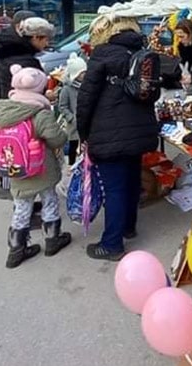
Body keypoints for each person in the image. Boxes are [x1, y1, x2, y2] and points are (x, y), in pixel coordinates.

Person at [77, 15, 159, 261]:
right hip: (138, 132)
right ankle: (128, 227)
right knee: (132, 180)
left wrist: (83, 134)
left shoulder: (103, 54)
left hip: (108, 132)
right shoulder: (142, 54)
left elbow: (86, 98)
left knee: (114, 189)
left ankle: (112, 244)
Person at [0, 65, 72, 268]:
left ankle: (16, 250)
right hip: (41, 168)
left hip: (16, 167)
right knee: (49, 201)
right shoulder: (39, 113)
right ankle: (52, 239)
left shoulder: (6, 112)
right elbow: (57, 139)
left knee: (21, 207)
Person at [0, 15, 56, 200]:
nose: (47, 43)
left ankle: (10, 190)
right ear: (35, 37)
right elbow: (33, 90)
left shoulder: (8, 54)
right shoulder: (27, 61)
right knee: (25, 153)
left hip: (7, 107)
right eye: (45, 39)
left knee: (9, 149)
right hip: (25, 112)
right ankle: (24, 200)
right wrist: (46, 96)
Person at [57, 52, 87, 167]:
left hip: (85, 122)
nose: (84, 74)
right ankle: (72, 165)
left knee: (84, 146)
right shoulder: (67, 89)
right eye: (81, 73)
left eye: (85, 72)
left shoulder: (87, 86)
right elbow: (62, 106)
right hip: (74, 125)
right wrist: (71, 118)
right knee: (73, 146)